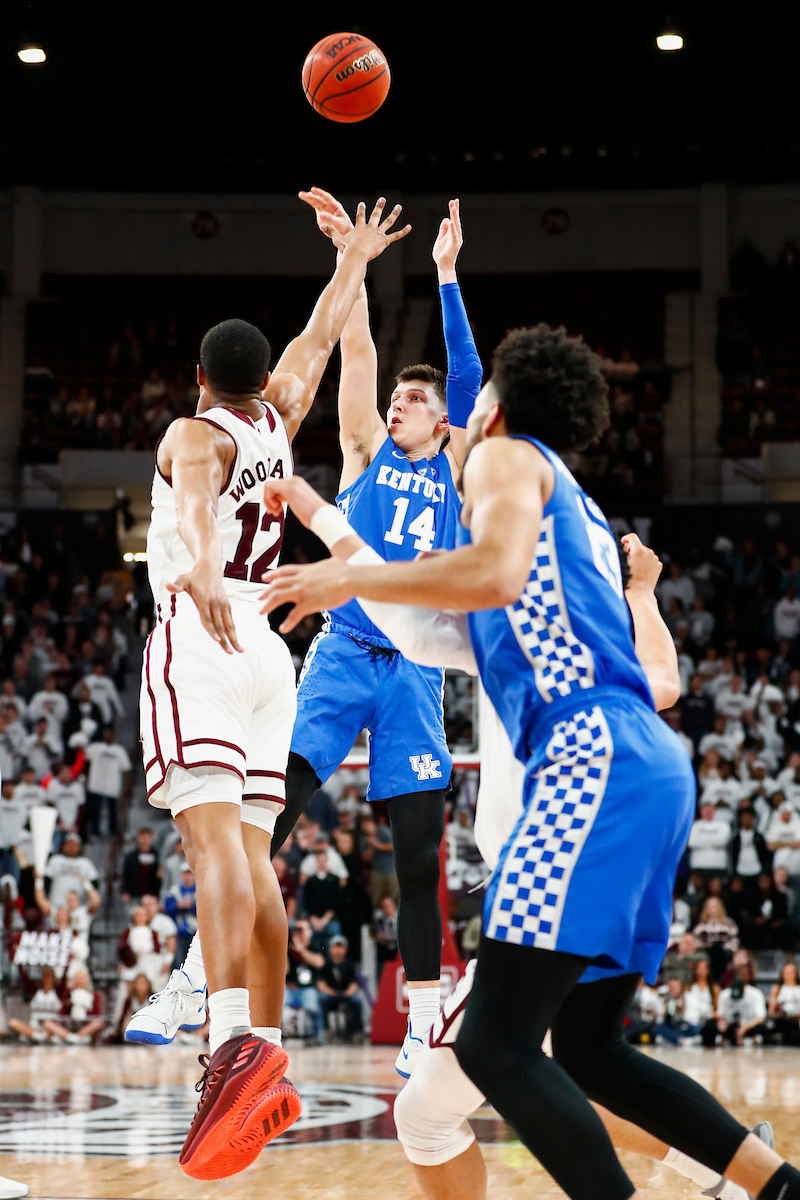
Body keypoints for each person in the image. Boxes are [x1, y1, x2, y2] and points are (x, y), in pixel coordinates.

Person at [259, 324, 800, 1200]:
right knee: (591, 1052)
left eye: (473, 404)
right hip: (649, 768)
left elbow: (490, 572)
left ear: (497, 409)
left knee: (493, 1048)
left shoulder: (507, 461)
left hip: (587, 761)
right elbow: (418, 619)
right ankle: (775, 1185)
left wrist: (341, 578)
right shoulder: (576, 522)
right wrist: (323, 524)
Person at [129, 198, 409, 1181]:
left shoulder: (193, 434)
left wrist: (199, 573)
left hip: (206, 631)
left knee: (214, 852)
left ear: (200, 379)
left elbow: (198, 507)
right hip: (270, 650)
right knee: (251, 857)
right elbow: (321, 335)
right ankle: (267, 1044)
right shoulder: (281, 413)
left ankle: (229, 1049)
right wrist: (351, 262)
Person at [270, 188, 482, 1075]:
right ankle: (201, 972)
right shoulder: (363, 448)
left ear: (442, 420)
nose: (398, 406)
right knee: (271, 807)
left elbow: (467, 376)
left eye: (414, 402)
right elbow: (353, 346)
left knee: (419, 847)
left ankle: (427, 1021)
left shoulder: (459, 466)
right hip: (345, 652)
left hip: (415, 671)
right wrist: (348, 259)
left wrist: (443, 274)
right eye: (397, 400)